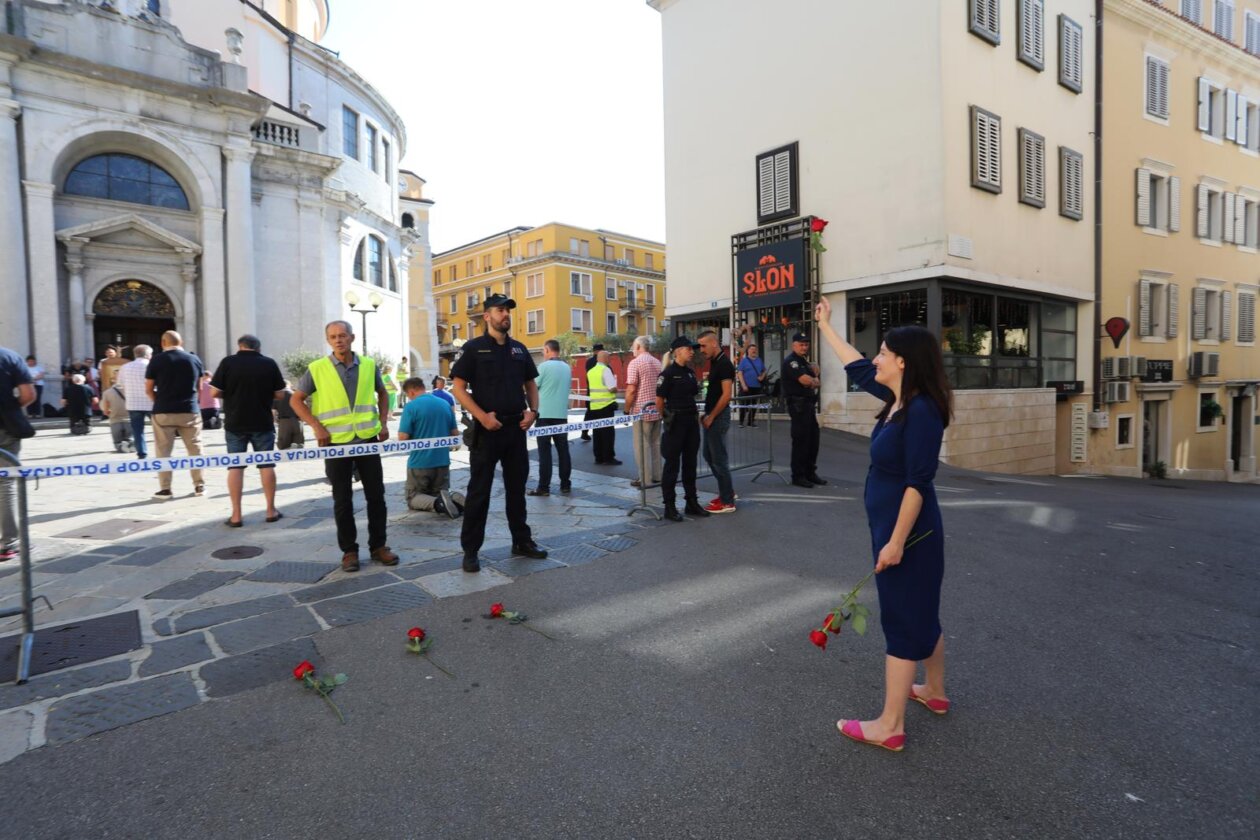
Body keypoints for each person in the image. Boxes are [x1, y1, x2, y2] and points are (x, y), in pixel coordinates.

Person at [813, 296, 953, 753]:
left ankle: (890, 725)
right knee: (921, 612)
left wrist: (895, 543)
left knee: (901, 618)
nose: (876, 358)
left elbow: (917, 483)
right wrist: (826, 327)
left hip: (908, 535)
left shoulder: (922, 412)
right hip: (897, 531)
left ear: (903, 362)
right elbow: (855, 366)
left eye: (884, 353)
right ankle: (933, 691)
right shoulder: (897, 398)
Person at [450, 293, 548, 572]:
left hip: (516, 428)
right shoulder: (473, 348)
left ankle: (522, 541)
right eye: (499, 310)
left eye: (507, 310)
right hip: (487, 431)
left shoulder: (518, 349)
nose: (505, 314)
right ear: (487, 316)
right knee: (479, 491)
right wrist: (481, 416)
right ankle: (470, 551)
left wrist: (533, 412)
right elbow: (458, 387)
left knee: (517, 490)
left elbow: (530, 383)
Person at [291, 321, 397, 572]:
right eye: (332, 337)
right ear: (328, 340)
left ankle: (379, 546)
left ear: (351, 337)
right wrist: (317, 427)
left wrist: (383, 423)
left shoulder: (369, 365)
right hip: (335, 444)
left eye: (342, 336)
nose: (338, 340)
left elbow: (382, 393)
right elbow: (296, 400)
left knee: (376, 497)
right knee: (342, 499)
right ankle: (349, 551)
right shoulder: (317, 369)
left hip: (366, 440)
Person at [211, 335, 287, 527]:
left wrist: (231, 392)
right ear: (258, 348)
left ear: (240, 346)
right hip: (262, 421)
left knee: (235, 466)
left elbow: (214, 392)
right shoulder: (268, 364)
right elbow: (280, 393)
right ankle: (270, 510)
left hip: (235, 422)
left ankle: (236, 515)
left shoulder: (228, 362)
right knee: (266, 465)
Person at [655, 336, 710, 523]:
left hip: (690, 422)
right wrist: (667, 419)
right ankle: (669, 506)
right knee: (672, 465)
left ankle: (691, 502)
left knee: (690, 463)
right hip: (676, 422)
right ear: (677, 351)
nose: (692, 351)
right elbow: (659, 401)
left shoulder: (690, 372)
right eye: (688, 348)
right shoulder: (667, 374)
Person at [146, 331, 205, 499]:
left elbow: (148, 389)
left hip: (164, 410)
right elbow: (200, 387)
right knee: (195, 448)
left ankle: (165, 488)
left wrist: (159, 401)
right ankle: (199, 485)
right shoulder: (194, 359)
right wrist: (194, 403)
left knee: (163, 450)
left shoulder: (157, 360)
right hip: (189, 409)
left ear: (163, 342)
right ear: (182, 341)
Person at [398, 377, 465, 518]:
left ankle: (439, 504)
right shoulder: (444, 404)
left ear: (410, 392)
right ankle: (451, 498)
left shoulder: (411, 407)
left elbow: (403, 437)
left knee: (413, 497)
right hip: (442, 462)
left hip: (420, 463)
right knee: (439, 491)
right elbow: (454, 433)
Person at [0, 346, 36, 562]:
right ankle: (8, 543)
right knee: (5, 484)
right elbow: (28, 394)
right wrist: (10, 408)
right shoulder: (9, 356)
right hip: (5, 428)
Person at [697, 331, 736, 514]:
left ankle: (727, 501)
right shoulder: (714, 361)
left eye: (704, 345)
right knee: (709, 455)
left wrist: (711, 416)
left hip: (718, 417)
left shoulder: (724, 364)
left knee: (718, 459)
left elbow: (727, 395)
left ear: (714, 343)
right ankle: (727, 491)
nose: (701, 350)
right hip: (711, 415)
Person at [782, 330, 826, 488]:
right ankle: (798, 475)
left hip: (808, 405)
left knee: (813, 440)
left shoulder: (804, 362)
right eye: (801, 344)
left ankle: (810, 472)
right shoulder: (791, 362)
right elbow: (806, 380)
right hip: (798, 405)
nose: (804, 347)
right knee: (801, 441)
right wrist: (814, 379)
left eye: (806, 344)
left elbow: (814, 377)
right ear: (794, 345)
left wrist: (814, 378)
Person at [529, 339, 572, 496]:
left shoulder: (543, 366)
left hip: (544, 415)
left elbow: (533, 387)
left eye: (543, 350)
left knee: (544, 453)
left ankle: (544, 487)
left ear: (547, 350)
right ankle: (565, 485)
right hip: (561, 415)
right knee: (563, 451)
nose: (542, 353)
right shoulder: (567, 367)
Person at [623, 335, 662, 489]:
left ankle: (645, 479)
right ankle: (657, 475)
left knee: (642, 446)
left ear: (639, 347)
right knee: (655, 443)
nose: (633, 349)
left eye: (634, 346)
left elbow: (631, 390)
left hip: (641, 410)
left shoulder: (635, 363)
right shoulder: (657, 362)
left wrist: (626, 410)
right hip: (656, 409)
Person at [117, 345, 154, 459]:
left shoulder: (125, 367)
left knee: (138, 431)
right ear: (147, 355)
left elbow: (120, 384)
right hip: (151, 401)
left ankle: (142, 453)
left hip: (133, 402)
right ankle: (162, 451)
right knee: (159, 429)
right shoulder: (151, 366)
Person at [588, 349, 621, 465]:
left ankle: (599, 457)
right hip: (606, 406)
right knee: (608, 433)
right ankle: (609, 457)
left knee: (597, 433)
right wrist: (616, 389)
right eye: (609, 358)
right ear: (606, 359)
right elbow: (612, 387)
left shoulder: (591, 371)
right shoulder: (606, 370)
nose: (610, 360)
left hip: (594, 406)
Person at [99, 380, 133, 453]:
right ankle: (130, 445)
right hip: (129, 420)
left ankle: (121, 446)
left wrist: (107, 412)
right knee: (129, 438)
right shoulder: (130, 391)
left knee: (117, 442)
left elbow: (105, 407)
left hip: (115, 420)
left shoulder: (107, 392)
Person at [737, 343, 767, 427]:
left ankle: (751, 422)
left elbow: (764, 370)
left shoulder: (759, 360)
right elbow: (740, 373)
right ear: (748, 351)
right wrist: (743, 385)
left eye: (754, 349)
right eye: (751, 349)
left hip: (756, 387)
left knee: (753, 406)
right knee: (743, 405)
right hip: (746, 387)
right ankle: (741, 422)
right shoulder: (744, 361)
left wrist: (762, 377)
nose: (753, 350)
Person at [580, 343, 604, 442]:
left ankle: (584, 432)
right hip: (601, 393)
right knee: (599, 414)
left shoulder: (589, 361)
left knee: (589, 413)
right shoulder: (602, 361)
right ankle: (597, 434)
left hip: (590, 391)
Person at [273, 383, 305, 450]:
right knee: (298, 444)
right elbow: (304, 407)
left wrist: (274, 420)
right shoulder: (296, 394)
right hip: (297, 421)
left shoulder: (278, 396)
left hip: (284, 422)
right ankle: (295, 446)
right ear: (290, 385)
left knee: (283, 445)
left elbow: (273, 411)